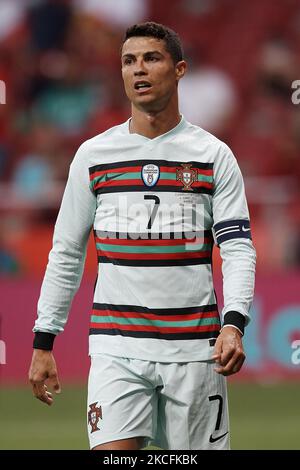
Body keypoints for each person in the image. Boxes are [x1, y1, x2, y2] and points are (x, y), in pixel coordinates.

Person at [29, 22, 256, 450]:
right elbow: (66, 253)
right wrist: (44, 339)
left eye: (152, 58)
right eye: (129, 61)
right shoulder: (94, 157)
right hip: (117, 348)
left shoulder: (212, 156)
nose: (139, 70)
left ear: (180, 69)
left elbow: (238, 248)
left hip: (194, 351)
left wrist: (235, 323)